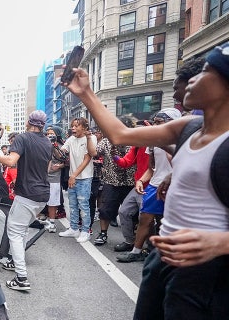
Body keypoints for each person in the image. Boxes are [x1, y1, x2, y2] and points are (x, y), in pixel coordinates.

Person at [63, 42, 229, 319]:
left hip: (208, 273)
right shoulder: (187, 127)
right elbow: (120, 135)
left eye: (207, 71)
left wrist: (220, 243)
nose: (193, 79)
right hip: (162, 259)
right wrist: (86, 93)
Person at [0, 110, 52, 291]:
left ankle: (21, 278)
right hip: (43, 195)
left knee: (14, 232)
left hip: (27, 194)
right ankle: (15, 262)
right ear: (43, 125)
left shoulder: (23, 138)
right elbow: (48, 168)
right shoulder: (47, 142)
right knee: (21, 231)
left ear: (28, 122)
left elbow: (10, 161)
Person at [116, 109, 181, 263]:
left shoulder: (182, 141)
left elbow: (181, 165)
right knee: (145, 219)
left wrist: (166, 146)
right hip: (153, 185)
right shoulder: (152, 143)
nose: (156, 126)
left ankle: (165, 256)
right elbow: (152, 168)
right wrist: (140, 180)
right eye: (155, 122)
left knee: (166, 222)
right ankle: (136, 251)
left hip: (174, 187)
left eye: (160, 122)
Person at [92, 118, 136, 246]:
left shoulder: (135, 141)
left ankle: (132, 237)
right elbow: (94, 152)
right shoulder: (106, 141)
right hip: (111, 181)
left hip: (131, 182)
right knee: (105, 210)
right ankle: (103, 233)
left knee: (133, 212)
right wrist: (90, 138)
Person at [58, 117, 97, 243]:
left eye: (76, 126)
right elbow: (61, 153)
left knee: (83, 205)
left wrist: (73, 175)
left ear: (84, 127)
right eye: (72, 126)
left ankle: (86, 231)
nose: (73, 128)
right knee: (73, 204)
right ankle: (74, 228)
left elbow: (90, 156)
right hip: (72, 177)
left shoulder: (90, 138)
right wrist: (54, 146)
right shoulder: (71, 139)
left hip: (84, 177)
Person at [43, 126, 66, 233]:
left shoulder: (61, 146)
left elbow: (64, 160)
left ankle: (52, 223)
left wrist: (54, 146)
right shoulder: (42, 145)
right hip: (41, 177)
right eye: (47, 133)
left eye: (51, 133)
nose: (49, 135)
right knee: (40, 199)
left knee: (53, 201)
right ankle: (40, 219)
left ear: (57, 135)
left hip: (54, 178)